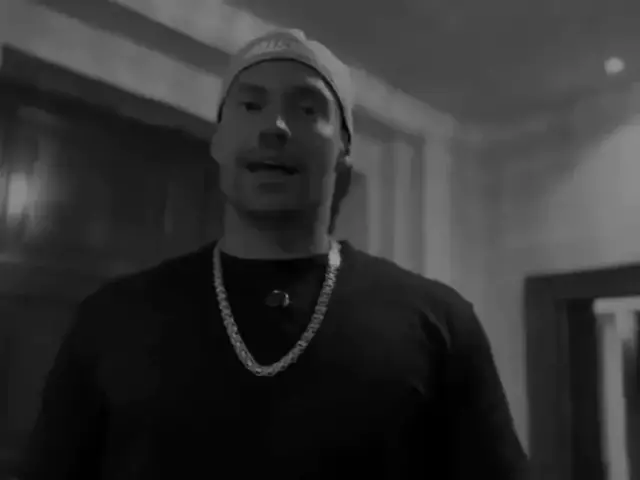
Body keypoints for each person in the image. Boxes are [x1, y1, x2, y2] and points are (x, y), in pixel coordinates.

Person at [21, 29, 528, 479]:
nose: (275, 127)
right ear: (219, 141)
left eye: (307, 109)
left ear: (344, 151)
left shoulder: (441, 323)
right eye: (250, 105)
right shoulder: (111, 318)